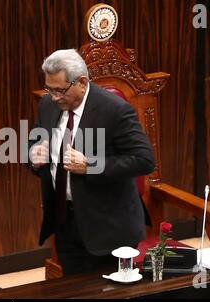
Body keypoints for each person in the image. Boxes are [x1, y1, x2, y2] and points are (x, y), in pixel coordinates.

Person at [28, 49, 155, 275]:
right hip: (66, 222)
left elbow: (143, 160)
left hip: (109, 228)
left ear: (83, 82)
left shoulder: (115, 110)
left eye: (60, 90)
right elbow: (35, 143)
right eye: (50, 89)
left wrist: (91, 165)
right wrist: (34, 156)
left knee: (108, 293)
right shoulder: (48, 105)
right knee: (76, 295)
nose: (54, 96)